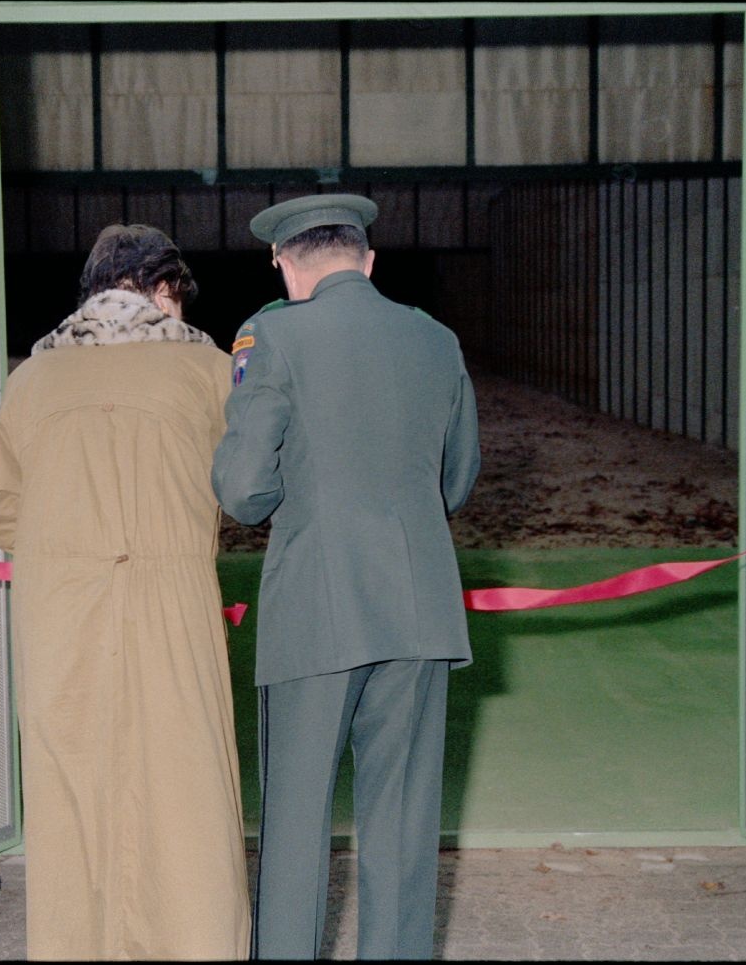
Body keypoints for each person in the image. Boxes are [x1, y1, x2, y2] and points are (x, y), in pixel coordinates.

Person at [212, 194, 481, 960]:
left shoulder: (275, 336)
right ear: (368, 260)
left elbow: (244, 491)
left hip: (317, 612)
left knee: (297, 824)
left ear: (281, 261)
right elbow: (455, 481)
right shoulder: (435, 338)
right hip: (421, 610)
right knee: (402, 823)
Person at [0, 224, 249, 960]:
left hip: (59, 610)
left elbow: (4, 513)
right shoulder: (209, 370)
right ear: (163, 289)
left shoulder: (30, 378)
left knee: (72, 799)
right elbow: (243, 485)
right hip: (170, 604)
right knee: (185, 791)